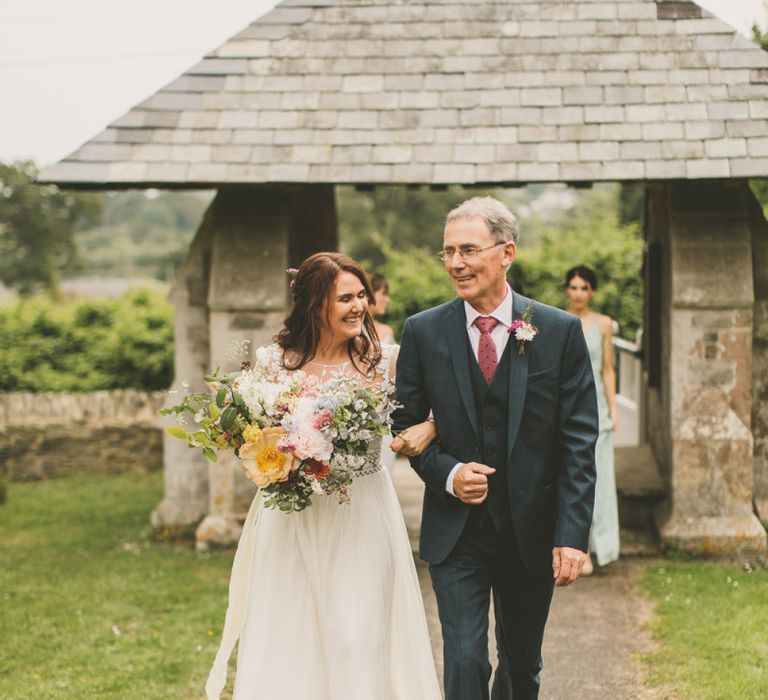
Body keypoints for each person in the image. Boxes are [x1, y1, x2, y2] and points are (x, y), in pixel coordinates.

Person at [206, 252, 441, 700]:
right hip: (292, 517)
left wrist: (428, 427)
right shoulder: (274, 362)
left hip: (361, 515)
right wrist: (269, 455)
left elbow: (437, 410)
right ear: (316, 306)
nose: (359, 307)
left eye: (361, 297)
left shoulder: (386, 361)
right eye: (345, 299)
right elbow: (250, 435)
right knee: (291, 636)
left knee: (356, 637)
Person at [392, 196, 598, 700]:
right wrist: (447, 472)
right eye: (447, 252)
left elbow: (578, 440)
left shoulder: (559, 331)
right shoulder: (422, 332)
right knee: (464, 661)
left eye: (468, 250)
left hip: (530, 530)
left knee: (522, 666)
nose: (456, 263)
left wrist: (571, 534)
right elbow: (407, 425)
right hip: (456, 533)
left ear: (506, 252)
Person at [564, 265, 620, 574]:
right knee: (571, 475)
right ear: (567, 290)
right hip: (569, 406)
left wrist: (613, 408)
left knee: (601, 478)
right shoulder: (559, 321)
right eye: (573, 287)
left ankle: (602, 545)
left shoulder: (603, 325)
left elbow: (608, 369)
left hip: (597, 406)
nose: (578, 293)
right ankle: (576, 545)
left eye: (584, 288)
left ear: (592, 292)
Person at [369, 272, 396, 344]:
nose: (388, 300)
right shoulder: (352, 331)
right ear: (369, 294)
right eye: (383, 294)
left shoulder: (387, 331)